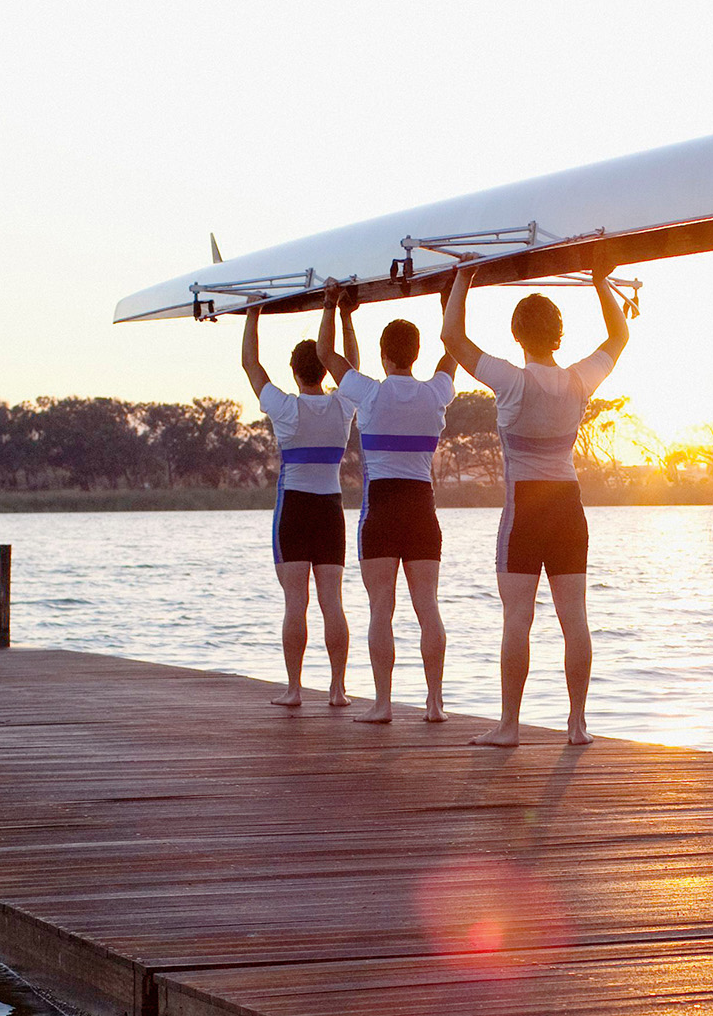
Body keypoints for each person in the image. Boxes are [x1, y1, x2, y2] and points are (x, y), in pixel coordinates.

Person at [438, 263, 631, 747]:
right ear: (558, 335)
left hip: (524, 509)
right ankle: (577, 724)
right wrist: (601, 282)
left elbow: (453, 338)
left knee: (517, 618)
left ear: (517, 335)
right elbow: (619, 337)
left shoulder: (511, 380)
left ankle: (509, 726)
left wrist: (464, 278)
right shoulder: (578, 381)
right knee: (575, 619)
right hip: (569, 507)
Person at [335, 283, 456, 724]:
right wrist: (449, 298)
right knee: (429, 608)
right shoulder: (436, 392)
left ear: (384, 356)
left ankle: (383, 704)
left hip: (382, 509)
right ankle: (435, 703)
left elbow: (331, 359)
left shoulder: (368, 393)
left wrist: (337, 311)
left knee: (380, 610)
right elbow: (454, 348)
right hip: (422, 508)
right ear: (416, 355)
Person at [242, 301, 358, 709]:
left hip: (294, 509)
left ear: (294, 372)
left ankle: (294, 689)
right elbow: (353, 367)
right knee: (333, 602)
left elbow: (251, 365)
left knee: (296, 602)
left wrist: (253, 313)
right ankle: (338, 690)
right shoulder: (344, 405)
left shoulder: (286, 408)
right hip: (330, 510)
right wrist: (345, 317)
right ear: (327, 370)